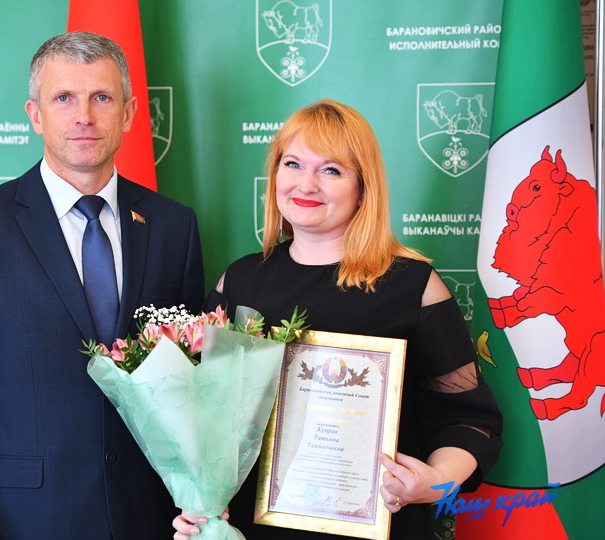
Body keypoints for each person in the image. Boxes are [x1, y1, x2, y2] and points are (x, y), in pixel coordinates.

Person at [0, 31, 204, 540]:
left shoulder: (173, 226)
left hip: (152, 521)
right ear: (36, 114)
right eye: (64, 97)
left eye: (102, 97)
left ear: (130, 113)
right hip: (24, 523)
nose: (84, 116)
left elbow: (192, 394)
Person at [173, 100, 502, 539]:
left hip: (376, 525)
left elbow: (470, 420)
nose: (306, 184)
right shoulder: (239, 281)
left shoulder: (412, 286)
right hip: (253, 528)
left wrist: (435, 480)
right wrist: (200, 503)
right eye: (293, 164)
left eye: (331, 170)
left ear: (362, 188)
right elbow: (203, 417)